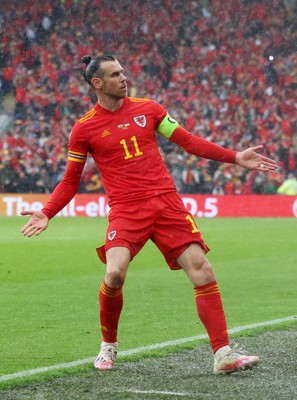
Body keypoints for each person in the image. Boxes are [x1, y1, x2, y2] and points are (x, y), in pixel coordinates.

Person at [21, 54, 278, 374]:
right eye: (115, 75)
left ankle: (223, 354)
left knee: (203, 271)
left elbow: (189, 141)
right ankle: (108, 345)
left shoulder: (150, 109)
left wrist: (235, 157)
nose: (123, 78)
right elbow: (71, 180)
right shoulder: (84, 129)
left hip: (167, 204)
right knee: (114, 274)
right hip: (127, 210)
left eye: (123, 72)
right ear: (97, 83)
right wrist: (47, 213)